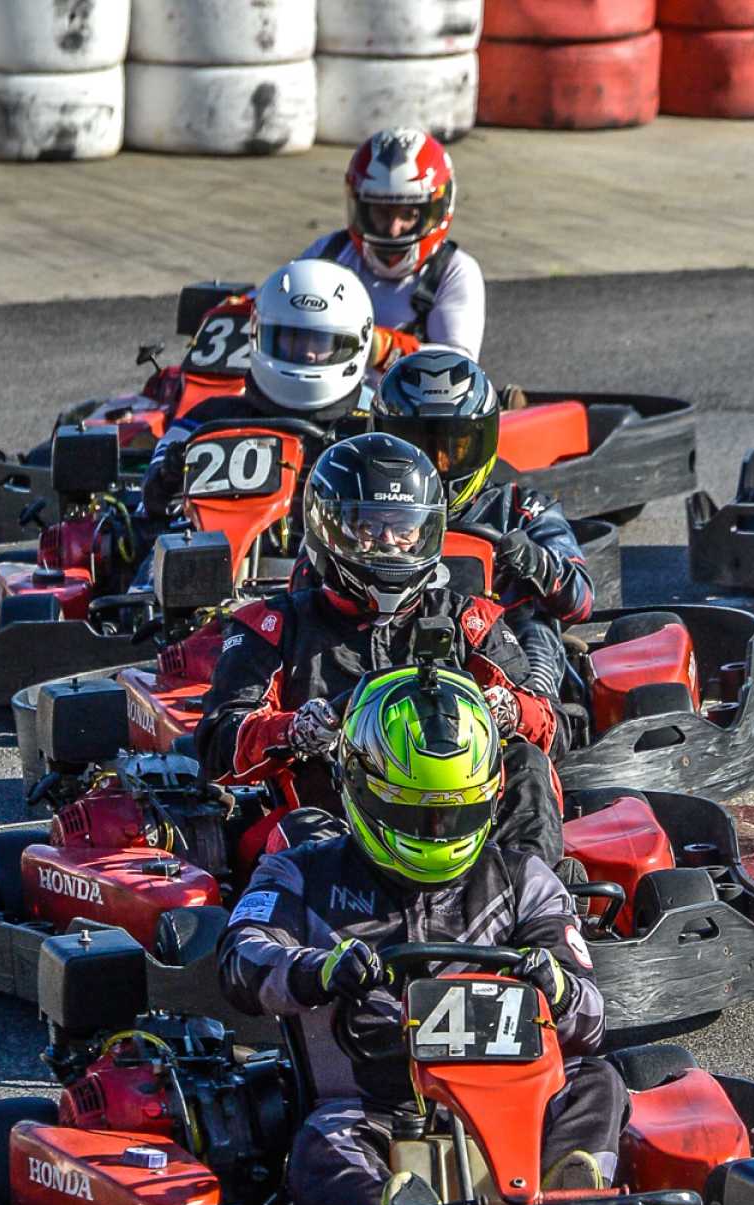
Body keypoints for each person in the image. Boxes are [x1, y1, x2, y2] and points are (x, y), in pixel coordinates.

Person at [217, 663, 627, 1205]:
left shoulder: (523, 881)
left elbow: (591, 1021)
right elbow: (239, 955)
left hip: (515, 1106)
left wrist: (558, 987)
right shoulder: (301, 875)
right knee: (320, 1144)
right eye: (415, 815)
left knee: (598, 1083)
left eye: (453, 815)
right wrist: (315, 970)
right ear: (359, 787)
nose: (436, 833)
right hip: (374, 1106)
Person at [194, 432, 564, 865]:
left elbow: (555, 730)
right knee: (300, 828)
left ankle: (530, 889)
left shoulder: (469, 620)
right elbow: (218, 745)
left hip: (459, 825)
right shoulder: (274, 627)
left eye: (403, 529)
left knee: (526, 764)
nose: (388, 543)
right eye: (368, 528)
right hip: (339, 833)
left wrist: (511, 710)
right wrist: (298, 731)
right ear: (329, 528)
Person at [370, 348, 593, 707]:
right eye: (417, 447)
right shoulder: (362, 509)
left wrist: (536, 563)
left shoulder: (522, 510)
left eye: (454, 448)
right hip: (385, 640)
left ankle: (536, 711)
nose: (436, 463)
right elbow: (307, 588)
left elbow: (580, 602)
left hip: (501, 652)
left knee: (535, 624)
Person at [139, 258, 375, 523]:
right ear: (256, 334)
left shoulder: (373, 431)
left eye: (321, 343)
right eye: (291, 340)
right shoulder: (208, 419)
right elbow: (150, 502)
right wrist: (169, 474)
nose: (307, 354)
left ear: (357, 344)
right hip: (228, 546)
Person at [300, 128, 485, 365]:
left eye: (408, 214)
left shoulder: (455, 271)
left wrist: (381, 348)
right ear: (362, 209)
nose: (393, 229)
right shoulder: (330, 253)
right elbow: (275, 304)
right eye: (381, 212)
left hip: (403, 389)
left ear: (435, 211)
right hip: (319, 385)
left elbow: (459, 365)